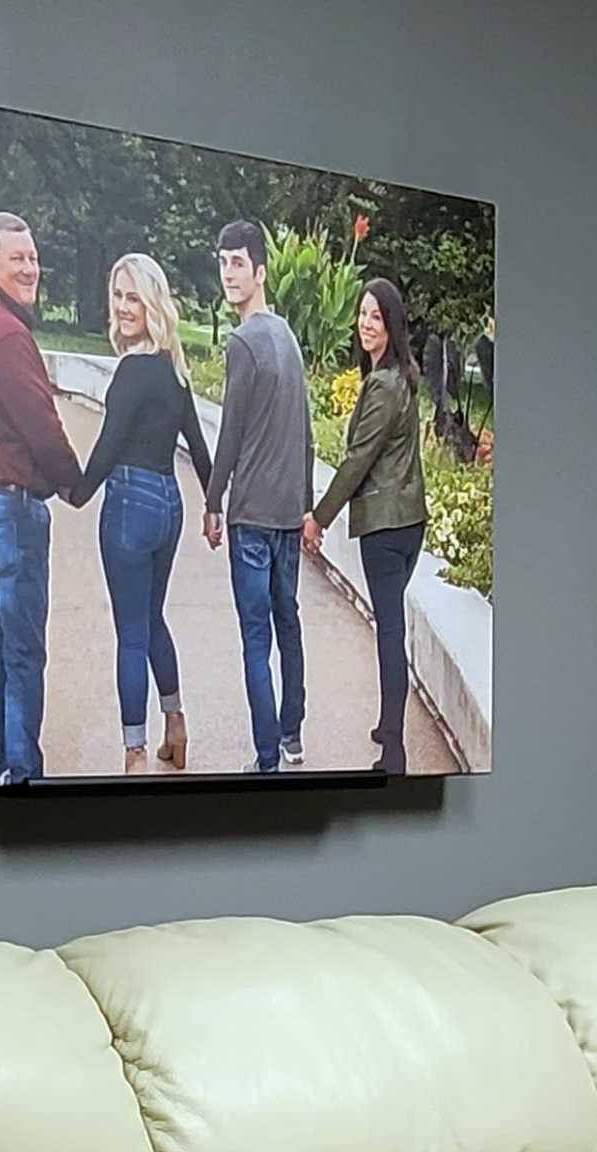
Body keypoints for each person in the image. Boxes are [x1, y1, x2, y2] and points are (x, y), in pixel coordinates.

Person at [0, 211, 84, 786]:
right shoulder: (6, 334)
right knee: (24, 653)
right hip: (9, 510)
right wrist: (75, 485)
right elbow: (43, 429)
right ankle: (23, 775)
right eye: (17, 259)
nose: (30, 268)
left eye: (33, 258)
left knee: (2, 646)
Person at [66, 254, 212, 774]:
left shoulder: (132, 371)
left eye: (134, 298)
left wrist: (77, 492)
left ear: (153, 304)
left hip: (130, 505)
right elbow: (198, 445)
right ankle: (176, 724)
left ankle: (134, 754)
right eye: (119, 296)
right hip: (169, 506)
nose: (124, 307)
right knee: (152, 619)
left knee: (130, 632)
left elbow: (107, 447)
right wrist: (213, 505)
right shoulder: (174, 370)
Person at [302, 277, 431, 774]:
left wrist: (318, 518)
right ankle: (387, 724)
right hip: (409, 522)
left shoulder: (383, 385)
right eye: (362, 313)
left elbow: (358, 460)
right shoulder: (401, 377)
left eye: (376, 316)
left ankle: (394, 751)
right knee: (390, 629)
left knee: (390, 635)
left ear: (392, 325)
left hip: (385, 528)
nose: (365, 323)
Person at [203, 221, 311, 772]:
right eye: (223, 262)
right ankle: (292, 735)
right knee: (287, 622)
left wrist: (212, 501)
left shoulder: (243, 343)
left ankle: (266, 757)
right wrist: (306, 503)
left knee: (255, 637)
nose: (229, 273)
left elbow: (231, 433)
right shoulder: (288, 338)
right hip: (288, 514)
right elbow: (306, 432)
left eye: (238, 263)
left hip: (251, 514)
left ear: (260, 271)